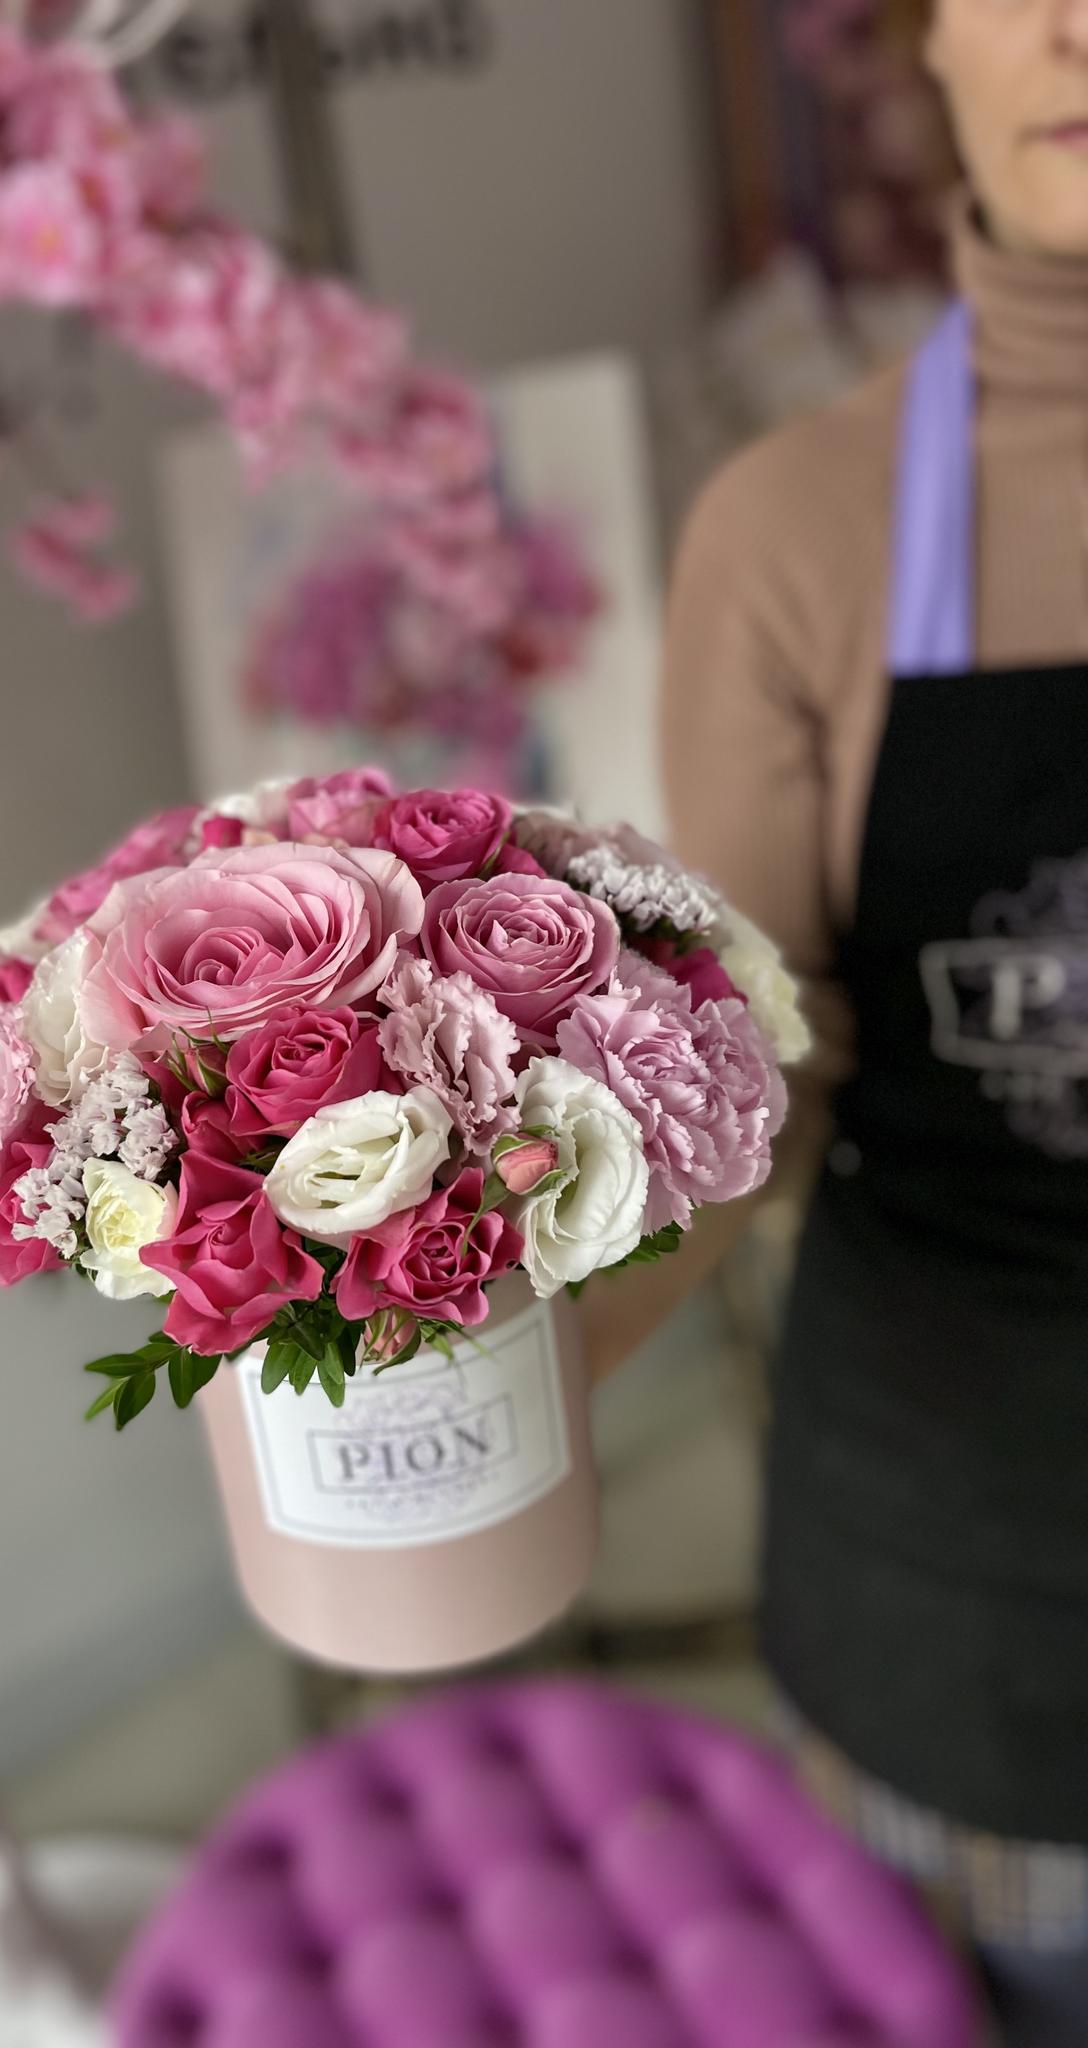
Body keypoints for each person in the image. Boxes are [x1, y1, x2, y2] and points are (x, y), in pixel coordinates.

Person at [585, 2, 1088, 2040]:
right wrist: (500, 1340)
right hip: (973, 1563)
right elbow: (751, 1094)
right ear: (929, 41)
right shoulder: (799, 532)